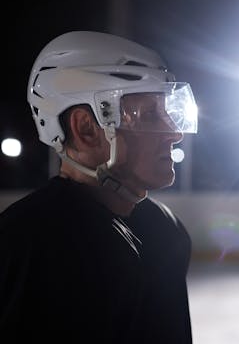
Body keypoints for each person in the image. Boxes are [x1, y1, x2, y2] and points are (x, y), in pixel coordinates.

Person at [0, 31, 198, 343]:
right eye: (148, 115)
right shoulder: (28, 244)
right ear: (86, 129)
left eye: (167, 112)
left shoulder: (165, 229)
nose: (174, 133)